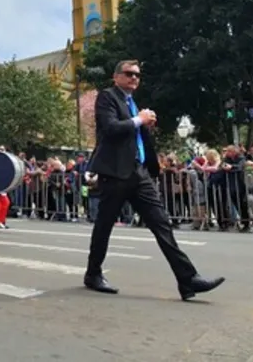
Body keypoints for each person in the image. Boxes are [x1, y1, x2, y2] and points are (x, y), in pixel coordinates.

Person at [84, 60, 224, 301]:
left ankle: (187, 279)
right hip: (115, 173)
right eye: (128, 74)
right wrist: (139, 120)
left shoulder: (132, 103)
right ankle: (93, 273)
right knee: (104, 226)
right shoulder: (108, 97)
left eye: (137, 75)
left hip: (139, 173)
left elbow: (133, 136)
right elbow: (110, 129)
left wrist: (146, 127)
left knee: (162, 224)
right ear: (116, 77)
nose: (134, 78)